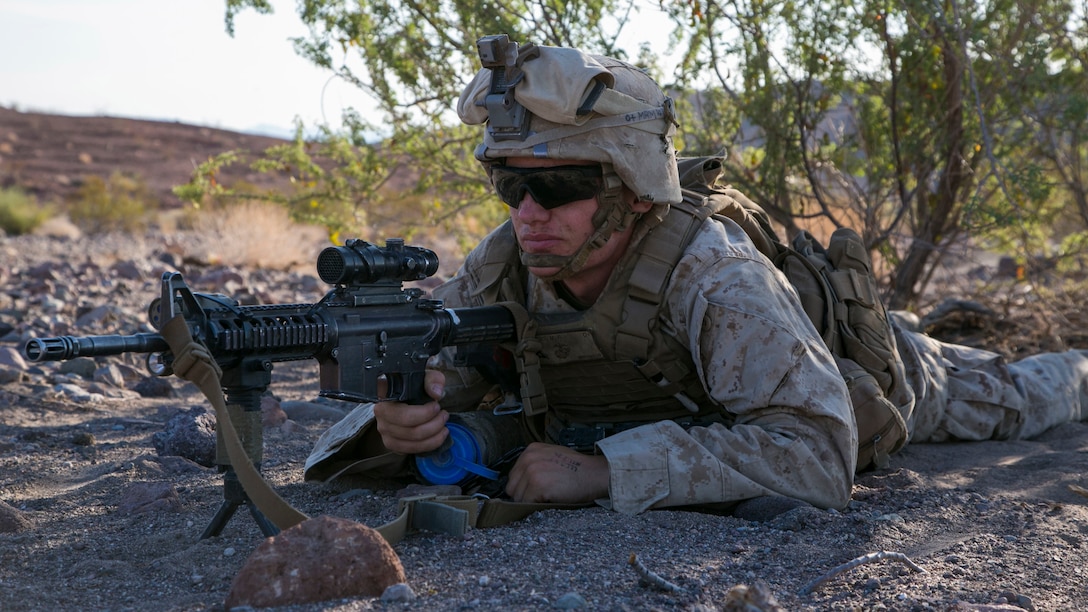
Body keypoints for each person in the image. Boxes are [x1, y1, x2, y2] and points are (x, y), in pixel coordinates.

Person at [304, 37, 1088, 517]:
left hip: (866, 371)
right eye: (510, 186)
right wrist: (399, 426)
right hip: (715, 393)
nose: (529, 213)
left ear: (632, 190)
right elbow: (443, 386)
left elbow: (818, 452)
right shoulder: (503, 262)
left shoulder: (714, 275)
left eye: (562, 187)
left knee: (1021, 395)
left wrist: (608, 470)